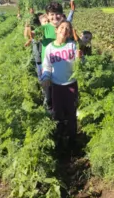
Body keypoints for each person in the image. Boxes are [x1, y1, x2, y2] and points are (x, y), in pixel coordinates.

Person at [39, 20, 82, 148]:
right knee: (57, 113)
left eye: (67, 29)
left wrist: (80, 58)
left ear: (69, 33)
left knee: (71, 112)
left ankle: (72, 139)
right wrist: (45, 77)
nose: (64, 30)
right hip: (56, 86)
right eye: (62, 27)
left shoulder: (72, 46)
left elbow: (79, 65)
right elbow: (46, 65)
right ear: (56, 30)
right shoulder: (49, 48)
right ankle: (58, 137)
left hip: (71, 84)